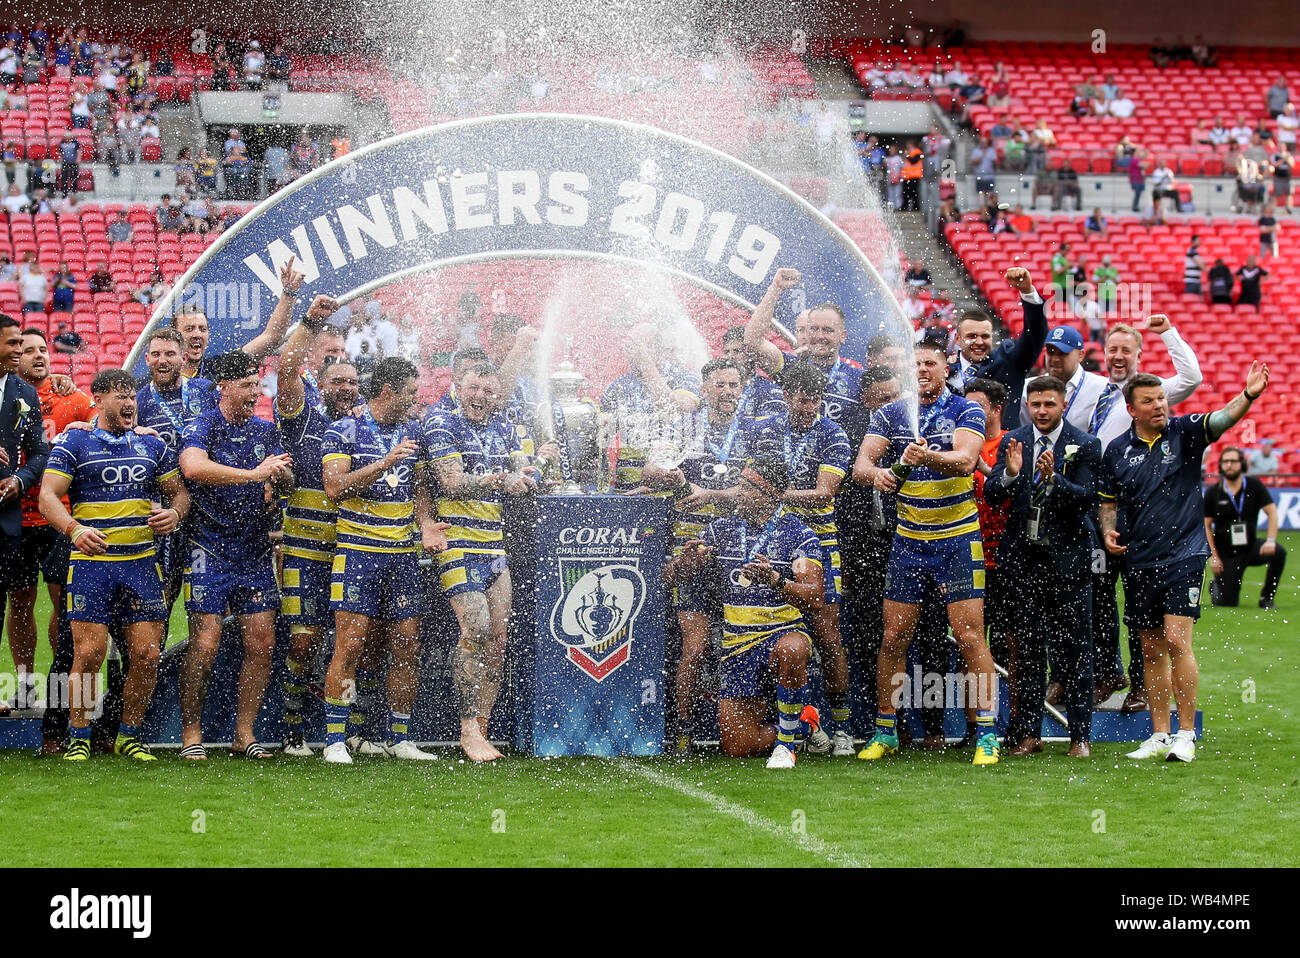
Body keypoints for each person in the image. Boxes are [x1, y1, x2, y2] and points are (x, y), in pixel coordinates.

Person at [1101, 362, 1270, 762]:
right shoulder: (1117, 450)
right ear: (1132, 409)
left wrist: (1247, 395)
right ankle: (1159, 734)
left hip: (1185, 555)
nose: (1160, 405)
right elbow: (1108, 500)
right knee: (1150, 648)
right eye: (1149, 400)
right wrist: (1108, 530)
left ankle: (1187, 734)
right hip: (1140, 559)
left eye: (1161, 398)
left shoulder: (1185, 432)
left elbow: (1224, 419)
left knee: (1178, 641)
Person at [853, 338, 1001, 766]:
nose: (922, 370)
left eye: (930, 363)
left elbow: (967, 460)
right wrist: (878, 474)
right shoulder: (891, 412)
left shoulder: (965, 408)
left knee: (970, 635)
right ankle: (886, 731)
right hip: (909, 541)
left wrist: (926, 457)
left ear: (945, 366)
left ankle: (986, 735)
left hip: (957, 539)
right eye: (915, 363)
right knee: (894, 636)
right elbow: (861, 465)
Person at [38, 369, 189, 761]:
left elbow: (180, 495)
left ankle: (130, 734)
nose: (129, 403)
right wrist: (73, 529)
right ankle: (79, 736)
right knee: (88, 654)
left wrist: (174, 514)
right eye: (120, 395)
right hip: (92, 565)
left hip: (141, 565)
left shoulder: (151, 446)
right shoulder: (74, 440)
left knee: (146, 655)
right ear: (99, 398)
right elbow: (48, 497)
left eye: (133, 396)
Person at [636, 358, 771, 754]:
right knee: (694, 647)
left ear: (742, 389)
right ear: (705, 388)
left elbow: (759, 491)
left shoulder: (756, 431)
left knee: (747, 639)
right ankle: (683, 731)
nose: (728, 391)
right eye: (720, 384)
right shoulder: (681, 427)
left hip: (739, 549)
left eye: (734, 384)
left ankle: (757, 725)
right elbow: (647, 471)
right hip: (691, 547)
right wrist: (673, 477)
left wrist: (710, 494)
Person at [663, 458, 825, 768]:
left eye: (747, 487)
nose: (737, 493)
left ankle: (785, 748)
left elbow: (815, 597)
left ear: (769, 495)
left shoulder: (798, 534)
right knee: (737, 746)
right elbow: (670, 579)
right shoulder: (720, 529)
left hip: (783, 632)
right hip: (738, 645)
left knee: (792, 649)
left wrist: (776, 581)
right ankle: (804, 724)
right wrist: (684, 564)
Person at [177, 351, 294, 760]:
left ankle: (244, 734)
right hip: (208, 547)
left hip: (255, 549)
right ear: (223, 387)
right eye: (246, 384)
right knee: (205, 643)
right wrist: (255, 474)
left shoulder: (266, 431)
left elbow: (285, 477)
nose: (255, 392)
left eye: (257, 384)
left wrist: (279, 478)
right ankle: (192, 733)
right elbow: (193, 468)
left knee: (262, 643)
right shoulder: (202, 426)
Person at [424, 360, 536, 762]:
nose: (481, 398)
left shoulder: (502, 424)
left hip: (494, 544)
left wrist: (530, 475)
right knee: (476, 630)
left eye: (489, 392)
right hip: (455, 540)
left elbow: (525, 464)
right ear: (458, 384)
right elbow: (450, 482)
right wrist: (498, 479)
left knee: (499, 640)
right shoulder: (441, 421)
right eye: (473, 388)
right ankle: (467, 729)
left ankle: (483, 727)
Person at [988, 375, 1101, 758]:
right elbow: (991, 494)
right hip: (1023, 565)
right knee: (1029, 653)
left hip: (1068, 566)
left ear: (1063, 404)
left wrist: (1055, 482)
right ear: (1027, 404)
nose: (1042, 411)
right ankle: (1028, 735)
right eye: (1036, 404)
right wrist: (1013, 474)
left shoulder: (1086, 445)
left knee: (1075, 653)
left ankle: (1080, 737)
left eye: (1049, 404)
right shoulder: (1012, 440)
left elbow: (1087, 499)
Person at [274, 288, 357, 756]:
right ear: (320, 385)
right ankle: (293, 728)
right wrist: (307, 321)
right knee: (303, 644)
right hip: (304, 550)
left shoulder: (367, 424)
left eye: (352, 379)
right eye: (336, 379)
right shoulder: (303, 416)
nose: (345, 387)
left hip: (352, 549)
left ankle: (350, 728)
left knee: (351, 644)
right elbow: (286, 368)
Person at [3, 328, 95, 711]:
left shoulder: (70, 396)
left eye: (44, 349)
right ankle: (25, 685)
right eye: (28, 350)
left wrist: (84, 426)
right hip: (16, 519)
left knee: (65, 602)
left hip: (60, 518)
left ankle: (62, 686)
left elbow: (102, 420)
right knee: (20, 600)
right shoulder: (13, 398)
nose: (39, 355)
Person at [770, 361, 855, 755]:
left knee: (827, 634)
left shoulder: (833, 433)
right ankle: (796, 727)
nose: (810, 407)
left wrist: (771, 496)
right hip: (773, 539)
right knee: (775, 633)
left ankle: (841, 729)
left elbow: (824, 494)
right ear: (787, 397)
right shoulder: (767, 428)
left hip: (818, 544)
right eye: (803, 399)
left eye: (816, 400)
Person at [745, 268, 867, 443]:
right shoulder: (791, 367)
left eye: (828, 330)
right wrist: (775, 288)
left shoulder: (859, 379)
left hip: (837, 466)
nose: (819, 336)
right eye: (813, 329)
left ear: (843, 336)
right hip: (790, 463)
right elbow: (752, 341)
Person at [947, 268, 1049, 425]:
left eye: (985, 336)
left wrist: (1027, 292)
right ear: (957, 339)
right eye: (972, 336)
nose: (979, 342)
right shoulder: (945, 372)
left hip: (1003, 447)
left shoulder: (1009, 362)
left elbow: (1035, 335)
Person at [1205, 447, 1287, 610]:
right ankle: (1216, 586)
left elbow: (1272, 513)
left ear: (1241, 464)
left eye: (1233, 461)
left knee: (1279, 552)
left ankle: (1267, 598)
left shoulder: (1254, 486)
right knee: (1227, 604)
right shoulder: (1213, 492)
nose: (1229, 465)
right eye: (1225, 462)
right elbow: (1206, 526)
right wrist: (1213, 556)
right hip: (1227, 553)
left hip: (1250, 547)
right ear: (1221, 465)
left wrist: (1270, 540)